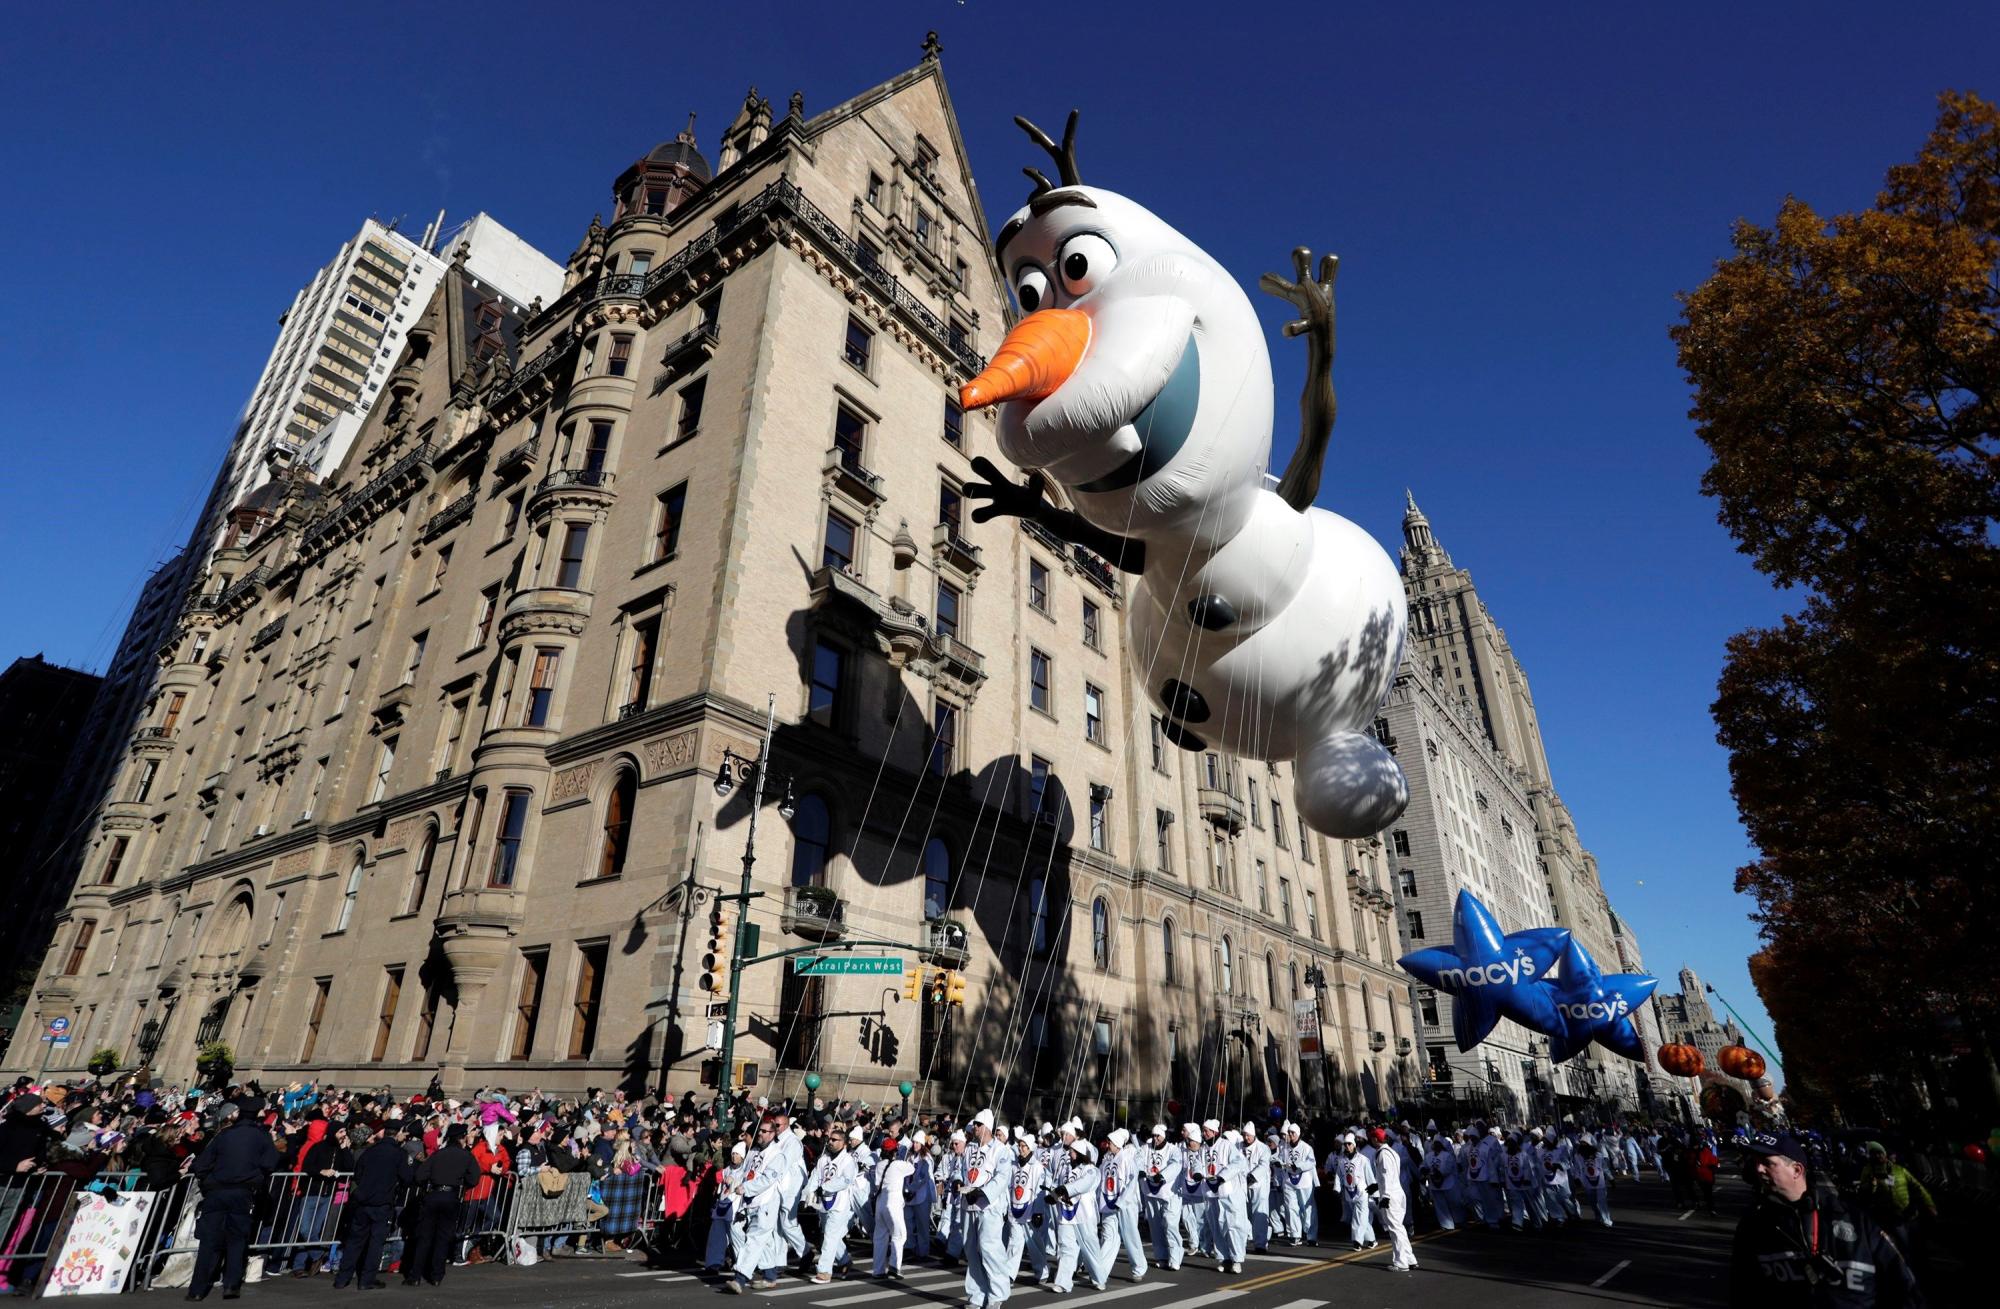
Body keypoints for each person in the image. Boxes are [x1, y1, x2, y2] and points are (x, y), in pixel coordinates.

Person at [1730, 1130, 1921, 1308]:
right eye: (1755, 1162)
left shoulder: (1855, 1219)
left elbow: (1903, 1285)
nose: (1759, 1169)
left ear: (1796, 1170)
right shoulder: (1753, 1227)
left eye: (1766, 1162)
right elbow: (1743, 1292)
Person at [187, 1099, 281, 1302]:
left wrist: (207, 1183)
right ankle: (231, 1285)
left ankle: (196, 1289)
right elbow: (271, 1163)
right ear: (257, 1114)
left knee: (209, 1241)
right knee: (237, 1239)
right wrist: (256, 1177)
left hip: (217, 1191)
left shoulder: (224, 1135)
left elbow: (201, 1164)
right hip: (242, 1192)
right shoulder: (261, 1137)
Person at [332, 1123, 413, 1290]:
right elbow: (407, 1178)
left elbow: (358, 1174)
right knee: (375, 1243)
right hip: (382, 1202)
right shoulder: (399, 1154)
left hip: (363, 1200)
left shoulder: (370, 1151)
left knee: (355, 1241)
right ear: (397, 1134)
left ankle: (342, 1278)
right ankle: (366, 1279)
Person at [406, 1122, 479, 1287]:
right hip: (451, 1196)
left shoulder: (438, 1154)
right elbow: (474, 1179)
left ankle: (415, 1275)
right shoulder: (466, 1156)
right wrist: (461, 1182)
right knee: (442, 1238)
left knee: (425, 1237)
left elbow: (420, 1176)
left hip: (434, 1195)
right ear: (461, 1138)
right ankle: (437, 1275)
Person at [1856, 1142, 1935, 1276]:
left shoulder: (1899, 1170)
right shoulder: (1868, 1171)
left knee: (1918, 1246)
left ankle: (1922, 1271)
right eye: (1875, 1154)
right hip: (1892, 1218)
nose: (1878, 1156)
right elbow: (1864, 1192)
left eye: (1880, 1153)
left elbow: (1918, 1187)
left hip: (1910, 1215)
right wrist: (1872, 1185)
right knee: (1902, 1247)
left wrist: (1929, 1204)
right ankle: (1908, 1275)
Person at [961, 1109, 1013, 1309]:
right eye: (974, 1125)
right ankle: (976, 1295)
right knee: (971, 1249)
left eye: (978, 1125)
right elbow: (961, 1169)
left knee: (989, 1248)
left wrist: (983, 1192)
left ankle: (997, 1294)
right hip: (968, 1205)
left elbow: (1002, 1177)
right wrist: (958, 1179)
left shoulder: (1001, 1150)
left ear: (987, 1127)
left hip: (989, 1206)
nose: (974, 1128)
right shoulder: (969, 1148)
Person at [809, 1126, 862, 1283]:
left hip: (840, 1204)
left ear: (843, 1143)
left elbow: (845, 1181)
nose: (830, 1142)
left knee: (830, 1237)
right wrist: (809, 1193)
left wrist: (824, 1188)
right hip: (823, 1204)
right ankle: (845, 1260)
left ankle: (824, 1272)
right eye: (829, 1139)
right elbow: (815, 1177)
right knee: (828, 1235)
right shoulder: (823, 1159)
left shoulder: (848, 1161)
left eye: (834, 1140)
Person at [1098, 1127, 1147, 1281]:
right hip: (1108, 1204)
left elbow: (1133, 1181)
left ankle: (1139, 1268)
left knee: (1129, 1235)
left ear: (1117, 1143)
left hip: (1125, 1204)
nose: (1108, 1144)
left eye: (1110, 1142)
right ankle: (1100, 1272)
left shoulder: (1127, 1158)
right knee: (1108, 1237)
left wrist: (1123, 1201)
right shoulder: (1106, 1160)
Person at [1139, 1123, 1185, 1269]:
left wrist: (1163, 1176)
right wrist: (1140, 1170)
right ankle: (1161, 1256)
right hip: (1151, 1193)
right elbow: (1138, 1160)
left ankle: (1175, 1257)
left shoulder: (1173, 1150)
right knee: (1155, 1226)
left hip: (1169, 1193)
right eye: (1153, 1136)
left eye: (1157, 1136)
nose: (1155, 1138)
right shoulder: (1146, 1149)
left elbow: (1176, 1165)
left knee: (1170, 1224)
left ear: (1163, 1136)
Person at [1376, 1132, 1416, 1273]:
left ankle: (1401, 1262)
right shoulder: (1392, 1152)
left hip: (1390, 1195)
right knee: (1399, 1228)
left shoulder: (1383, 1154)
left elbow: (1386, 1175)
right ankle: (1410, 1259)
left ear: (1376, 1139)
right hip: (1397, 1193)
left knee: (1394, 1229)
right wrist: (1377, 1186)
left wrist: (1385, 1195)